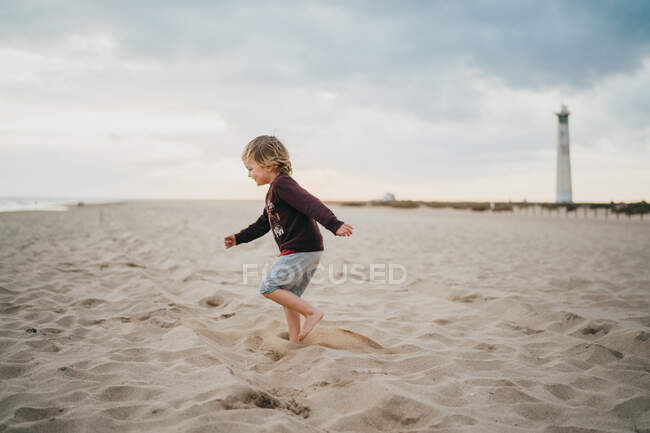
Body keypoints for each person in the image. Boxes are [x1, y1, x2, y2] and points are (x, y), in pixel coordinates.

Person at [224, 135, 353, 343]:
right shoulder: (273, 192)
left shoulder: (283, 185)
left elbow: (310, 203)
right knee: (287, 295)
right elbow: (262, 224)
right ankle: (295, 341)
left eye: (251, 168)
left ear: (268, 164)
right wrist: (238, 238)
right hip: (307, 249)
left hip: (300, 249)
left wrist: (333, 224)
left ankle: (311, 313)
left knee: (269, 287)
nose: (249, 175)